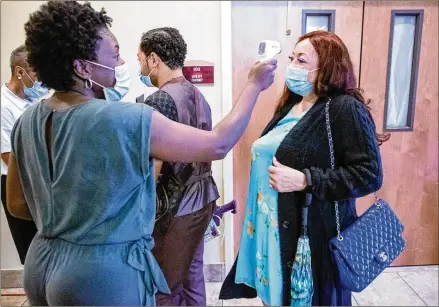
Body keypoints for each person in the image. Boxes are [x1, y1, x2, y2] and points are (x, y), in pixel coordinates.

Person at [6, 1, 276, 306]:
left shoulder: (26, 121)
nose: (121, 62)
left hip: (41, 263)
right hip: (100, 275)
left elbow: (17, 204)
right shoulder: (126, 119)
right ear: (83, 67)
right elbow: (217, 144)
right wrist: (254, 84)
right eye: (115, 53)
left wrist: (69, 218)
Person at [219, 30, 388, 306]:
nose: (291, 67)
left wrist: (305, 180)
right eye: (292, 58)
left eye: (301, 60)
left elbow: (369, 174)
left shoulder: (344, 109)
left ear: (328, 67)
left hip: (312, 239)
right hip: (272, 233)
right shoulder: (292, 105)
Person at [137, 27, 219, 306]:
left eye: (140, 60)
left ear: (153, 58)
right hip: (204, 198)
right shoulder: (199, 96)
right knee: (192, 273)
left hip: (177, 206)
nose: (141, 66)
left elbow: (155, 168)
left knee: (164, 283)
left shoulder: (159, 99)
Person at [1, 45, 48, 265]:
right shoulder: (3, 106)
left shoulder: (29, 103)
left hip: (36, 182)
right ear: (20, 72)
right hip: (18, 184)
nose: (42, 83)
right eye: (38, 75)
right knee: (32, 256)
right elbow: (10, 158)